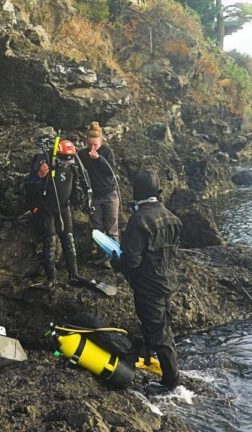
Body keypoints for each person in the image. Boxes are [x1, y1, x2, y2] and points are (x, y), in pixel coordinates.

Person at [110, 170, 183, 390]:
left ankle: (171, 381)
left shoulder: (139, 220)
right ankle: (152, 361)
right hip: (168, 281)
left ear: (137, 191)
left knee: (159, 333)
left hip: (148, 286)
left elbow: (131, 261)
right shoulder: (172, 218)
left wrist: (116, 261)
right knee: (162, 326)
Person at [26, 136, 90, 289]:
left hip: (64, 207)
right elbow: (29, 188)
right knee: (50, 241)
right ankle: (51, 278)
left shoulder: (73, 166)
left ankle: (73, 274)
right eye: (64, 160)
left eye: (70, 160)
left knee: (69, 239)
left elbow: (78, 186)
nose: (67, 163)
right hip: (47, 207)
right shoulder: (44, 162)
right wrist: (39, 176)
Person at [78, 122, 119, 268]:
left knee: (112, 228)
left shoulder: (107, 152)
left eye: (95, 145)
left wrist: (99, 159)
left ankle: (116, 259)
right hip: (94, 196)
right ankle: (103, 257)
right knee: (98, 229)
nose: (92, 148)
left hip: (109, 194)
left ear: (101, 141)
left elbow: (111, 171)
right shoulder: (82, 154)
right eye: (89, 145)